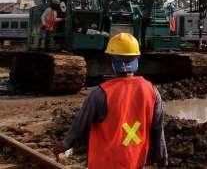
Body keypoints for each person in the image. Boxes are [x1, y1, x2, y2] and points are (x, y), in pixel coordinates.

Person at [54, 33, 168, 168]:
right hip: (135, 161)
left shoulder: (100, 93)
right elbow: (157, 129)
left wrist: (64, 145)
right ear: (136, 60)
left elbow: (80, 126)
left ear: (112, 62)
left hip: (105, 163)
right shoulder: (152, 91)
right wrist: (161, 157)